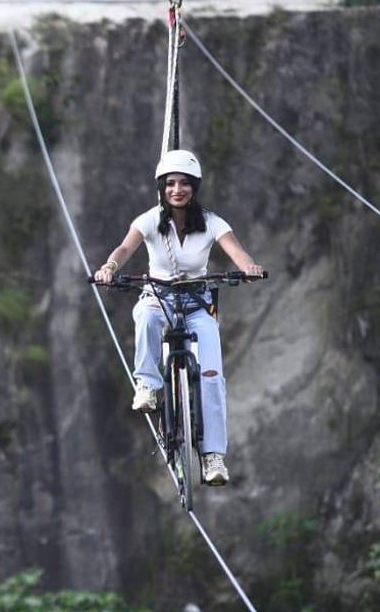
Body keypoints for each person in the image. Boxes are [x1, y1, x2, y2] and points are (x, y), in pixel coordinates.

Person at [93, 150, 264, 485]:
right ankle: (148, 385)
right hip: (160, 298)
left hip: (197, 304)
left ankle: (213, 456)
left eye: (184, 183)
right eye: (170, 183)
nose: (177, 189)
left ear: (194, 187)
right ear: (162, 187)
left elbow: (236, 251)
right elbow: (125, 248)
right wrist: (110, 267)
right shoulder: (149, 220)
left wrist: (249, 268)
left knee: (213, 375)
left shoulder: (213, 222)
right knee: (144, 314)